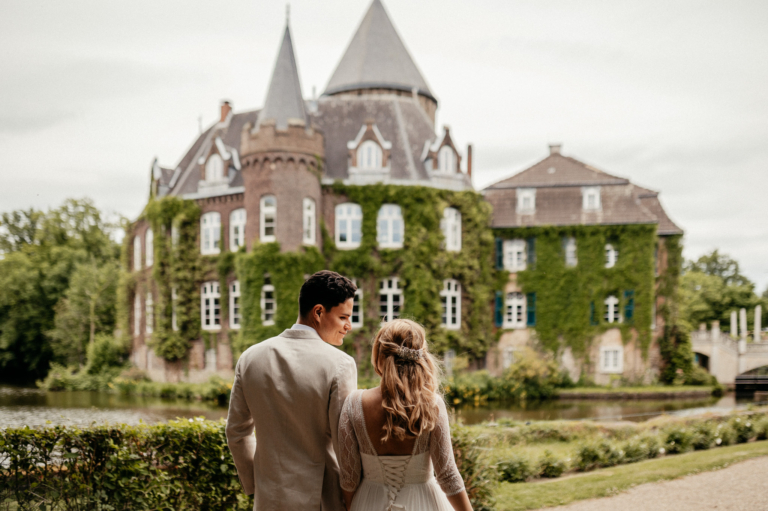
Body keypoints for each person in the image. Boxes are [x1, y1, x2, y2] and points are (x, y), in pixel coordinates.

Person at [226, 270, 358, 511]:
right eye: (343, 317)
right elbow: (345, 444)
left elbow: (236, 432)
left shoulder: (250, 358)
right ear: (318, 312)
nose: (349, 326)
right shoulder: (340, 364)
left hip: (268, 499)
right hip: (322, 499)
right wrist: (354, 497)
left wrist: (257, 484)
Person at [338, 319, 474, 511]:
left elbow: (349, 477)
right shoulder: (432, 405)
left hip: (369, 502)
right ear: (421, 357)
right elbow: (447, 475)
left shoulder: (354, 404)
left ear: (379, 355)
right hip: (424, 503)